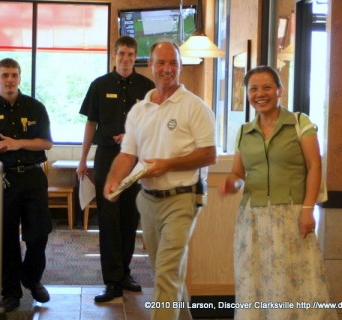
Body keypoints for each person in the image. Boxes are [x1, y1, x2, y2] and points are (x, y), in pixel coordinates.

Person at [103, 41, 216, 320]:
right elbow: (127, 154)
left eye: (173, 63)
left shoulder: (195, 107)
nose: (168, 69)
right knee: (167, 270)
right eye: (161, 63)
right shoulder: (140, 110)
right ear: (150, 66)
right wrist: (114, 179)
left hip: (183, 199)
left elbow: (209, 154)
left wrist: (167, 165)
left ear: (180, 66)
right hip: (148, 201)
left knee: (166, 273)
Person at [218, 66, 337, 319]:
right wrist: (231, 184)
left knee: (296, 279)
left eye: (266, 87)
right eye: (253, 89)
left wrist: (308, 209)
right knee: (256, 280)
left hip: (291, 216)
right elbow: (239, 175)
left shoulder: (299, 123)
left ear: (279, 91)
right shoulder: (244, 131)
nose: (260, 94)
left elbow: (314, 165)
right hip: (253, 219)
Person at [0, 58, 53, 312]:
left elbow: (46, 143)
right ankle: (11, 292)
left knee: (39, 233)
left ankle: (31, 277)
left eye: (14, 75)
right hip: (2, 179)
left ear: (19, 77)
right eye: (4, 75)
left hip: (33, 176)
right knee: (6, 238)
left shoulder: (35, 107)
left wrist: (19, 143)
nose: (9, 79)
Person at [77, 36, 155, 302]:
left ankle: (125, 274)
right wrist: (83, 158)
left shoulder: (147, 87)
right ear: (114, 55)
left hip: (136, 159)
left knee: (130, 217)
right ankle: (111, 281)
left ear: (136, 57)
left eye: (130, 55)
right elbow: (90, 124)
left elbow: (154, 124)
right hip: (107, 157)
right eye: (121, 54)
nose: (125, 59)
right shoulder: (99, 85)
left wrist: (134, 135)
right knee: (108, 220)